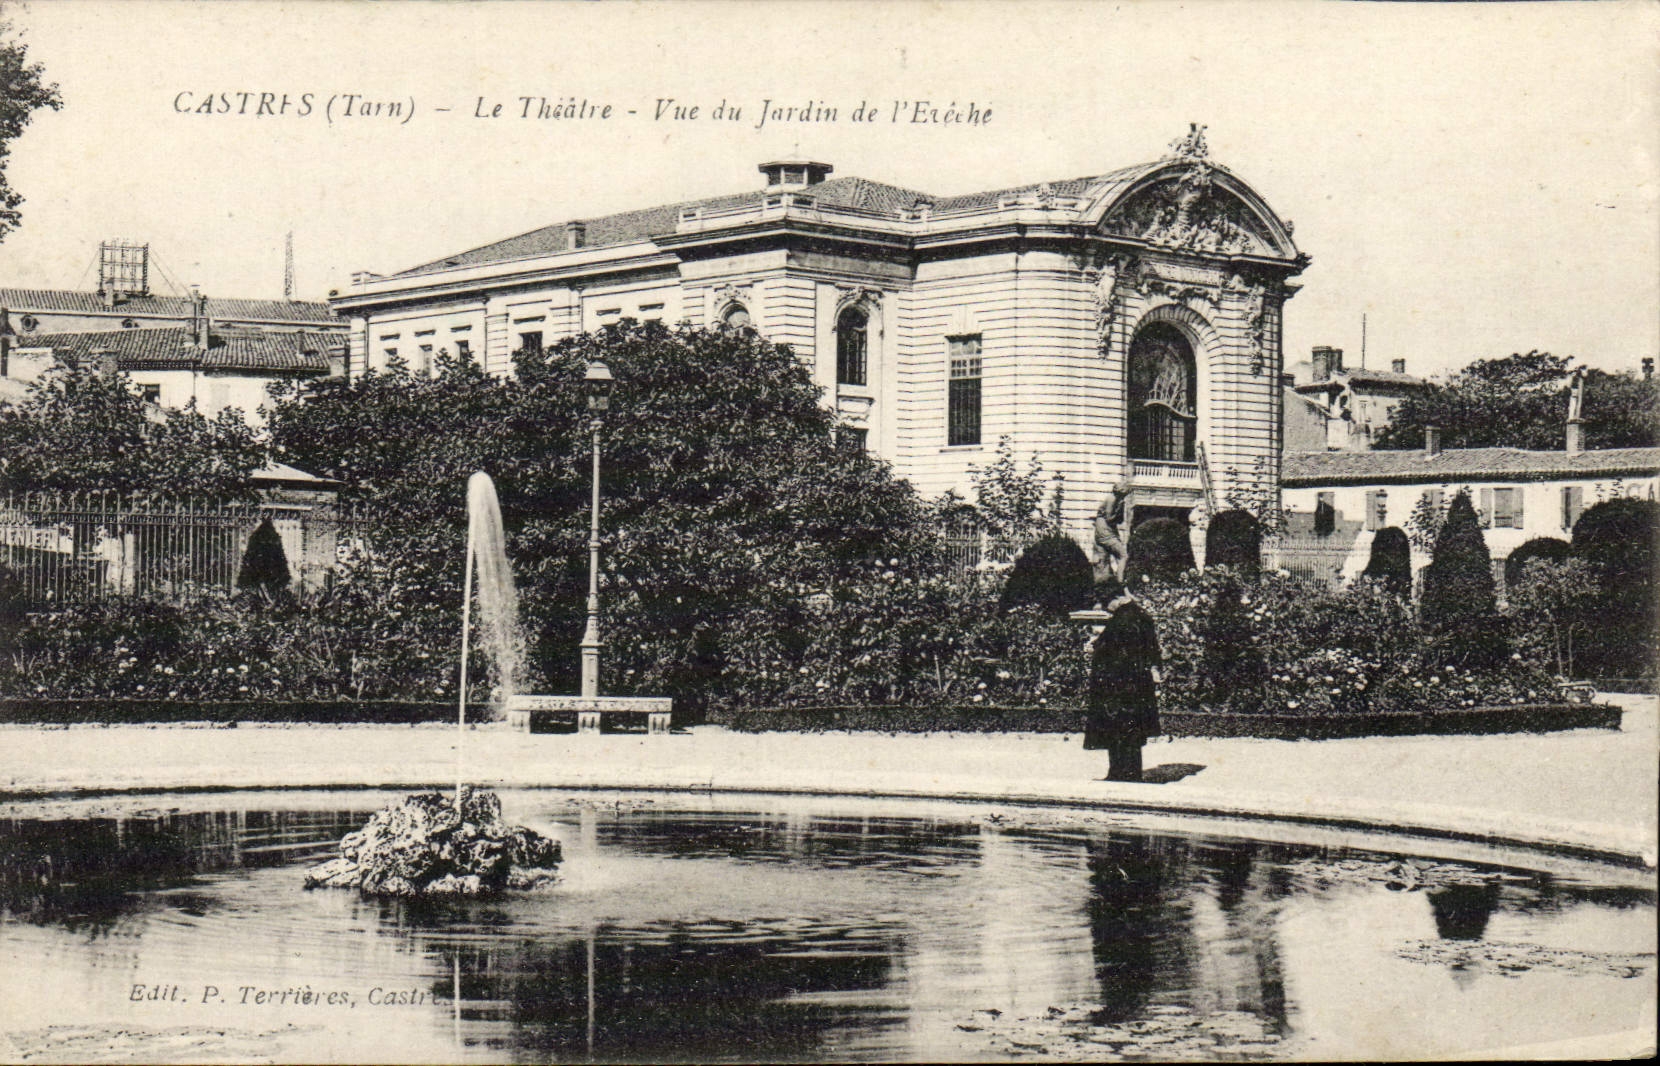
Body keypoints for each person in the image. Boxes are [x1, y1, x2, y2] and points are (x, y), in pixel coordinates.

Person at [1084, 576, 1162, 782]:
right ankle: (1130, 772)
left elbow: (1115, 654)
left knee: (1117, 730)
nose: (1106, 609)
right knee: (1132, 732)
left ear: (1116, 599)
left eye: (1107, 604)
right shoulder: (1141, 616)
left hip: (1118, 686)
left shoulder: (1122, 620)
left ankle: (1120, 772)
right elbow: (1152, 650)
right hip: (1136, 684)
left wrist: (1097, 646)